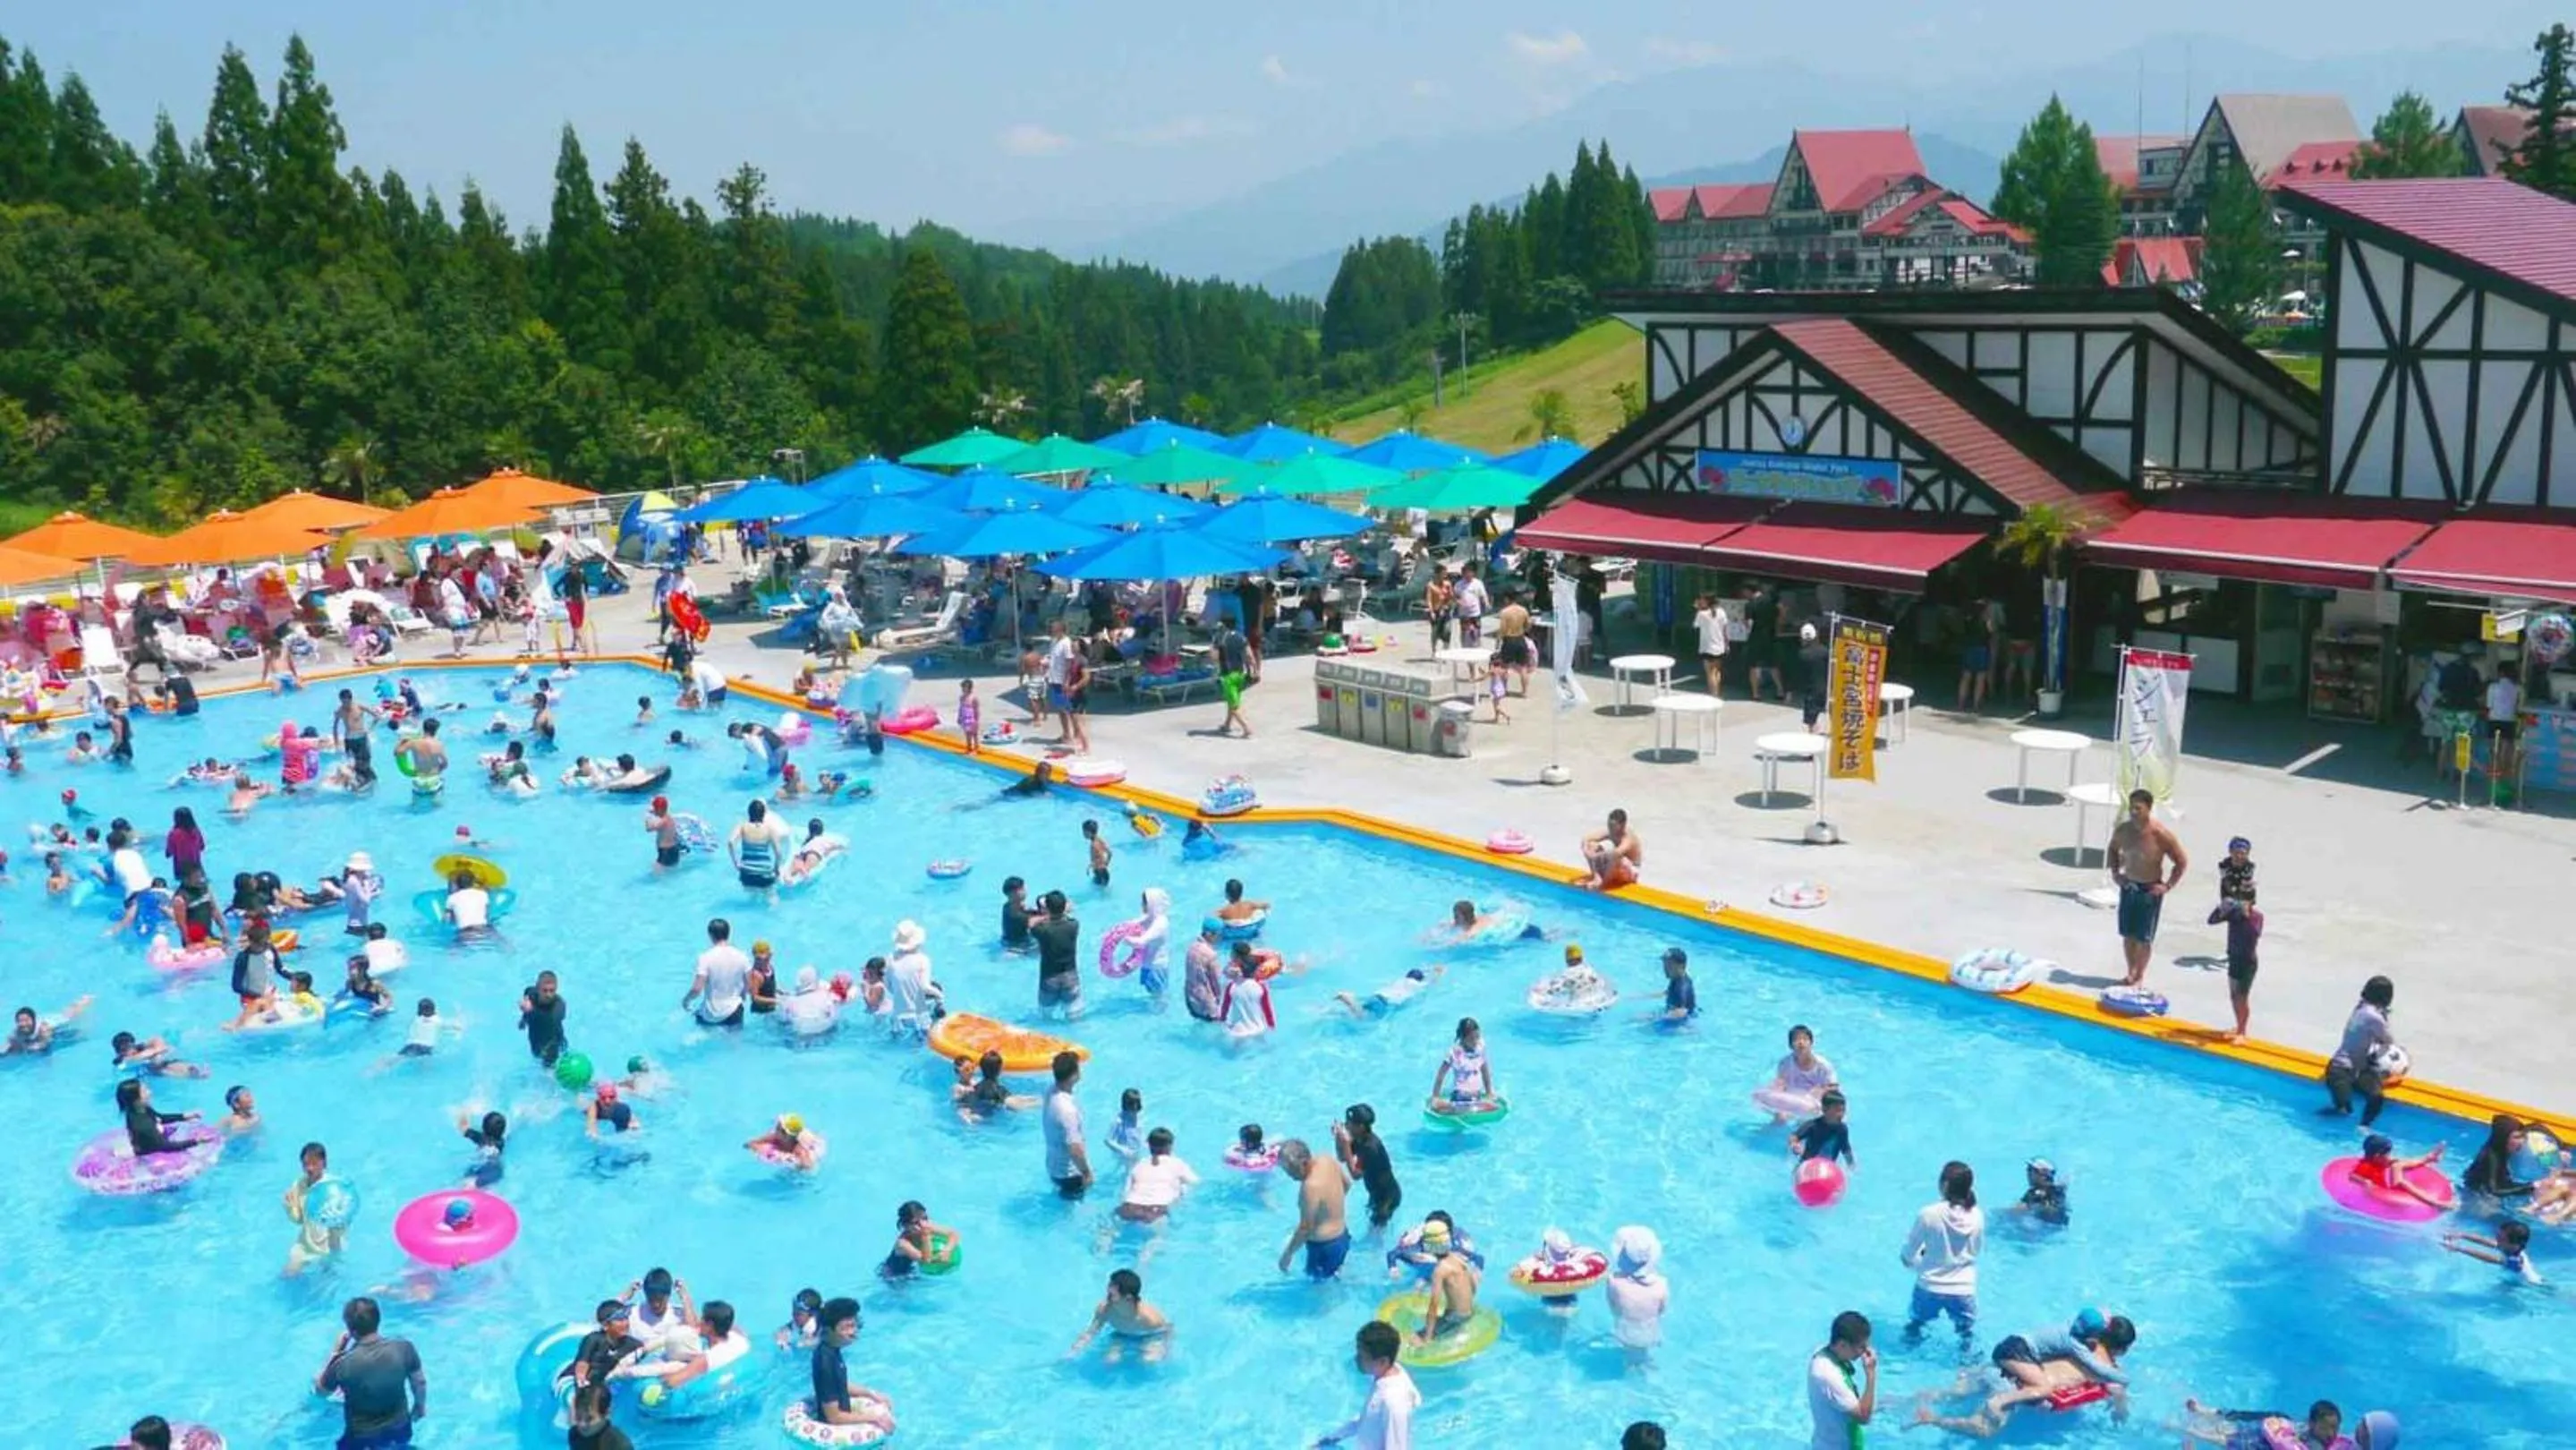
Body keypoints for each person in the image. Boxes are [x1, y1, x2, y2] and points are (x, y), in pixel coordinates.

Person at [1918, 1310, 2136, 1438]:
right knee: (1984, 1430)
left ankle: (1896, 1400)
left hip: (2005, 1367)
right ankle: (1931, 1419)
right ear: (2122, 1350)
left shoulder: (2080, 1343)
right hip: (2014, 1388)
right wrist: (2120, 1412)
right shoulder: (2111, 1373)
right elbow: (2119, 1409)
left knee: (1946, 1393)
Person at [313, 1296, 427, 1449]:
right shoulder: (403, 1347)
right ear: (378, 1320)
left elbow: (321, 1392)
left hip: (362, 1436)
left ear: (350, 1329)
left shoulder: (342, 1363)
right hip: (400, 1426)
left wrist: (336, 1351)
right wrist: (419, 1407)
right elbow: (419, 1382)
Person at [2107, 788, 2187, 988]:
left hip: (2150, 890)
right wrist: (2116, 873)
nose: (2133, 812)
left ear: (2148, 809)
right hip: (2129, 887)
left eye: (2138, 808)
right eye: (2131, 808)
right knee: (2128, 935)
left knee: (2144, 938)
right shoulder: (2123, 830)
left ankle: (2140, 974)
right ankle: (2131, 972)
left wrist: (2167, 886)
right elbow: (2112, 849)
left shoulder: (2160, 834)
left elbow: (2181, 861)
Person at [1902, 1162, 1984, 1347]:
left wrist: (1915, 1262)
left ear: (1945, 1185)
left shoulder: (1928, 1214)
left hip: (1929, 1286)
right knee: (1966, 1336)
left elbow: (1908, 1254)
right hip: (1964, 1289)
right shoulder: (1977, 1215)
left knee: (1915, 1327)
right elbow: (1976, 1250)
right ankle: (1968, 1370)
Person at [1314, 1319, 1418, 1450]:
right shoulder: (1388, 1373)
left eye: (1363, 1356)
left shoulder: (1394, 1402)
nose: (1356, 1359)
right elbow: (1369, 1417)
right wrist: (1334, 1437)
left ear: (1382, 1361)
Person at [806, 1298, 895, 1436]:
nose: (853, 1332)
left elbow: (840, 1384)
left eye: (854, 1325)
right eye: (846, 1327)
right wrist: (875, 1418)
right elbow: (834, 1417)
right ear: (829, 1330)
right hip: (835, 1437)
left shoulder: (832, 1349)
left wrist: (872, 1394)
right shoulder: (825, 1363)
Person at [2321, 975, 2397, 1127]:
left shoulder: (2360, 1007)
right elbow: (2388, 1041)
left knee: (2342, 1109)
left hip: (2339, 1069)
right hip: (2350, 1069)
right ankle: (2365, 1127)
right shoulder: (2376, 1018)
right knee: (2376, 1098)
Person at [1275, 1139, 1353, 1280]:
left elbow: (1306, 1228)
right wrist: (1331, 1210)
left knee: (1320, 1291)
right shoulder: (1327, 1160)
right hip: (1342, 1236)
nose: (1290, 1176)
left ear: (1304, 1163)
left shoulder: (1310, 1187)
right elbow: (1347, 1185)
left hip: (1323, 1249)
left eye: (1291, 1170)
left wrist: (1287, 1255)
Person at [1068, 1267, 1171, 1363]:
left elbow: (1168, 1329)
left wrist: (1166, 1348)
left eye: (1111, 1295)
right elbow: (1091, 1332)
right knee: (1110, 1361)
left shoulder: (1149, 1318)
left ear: (1128, 1298)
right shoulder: (1105, 1309)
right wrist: (1073, 1352)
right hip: (1120, 1335)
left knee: (1150, 1360)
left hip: (1148, 1336)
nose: (1107, 1298)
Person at [1807, 1310, 1878, 1450]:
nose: (1864, 1352)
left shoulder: (1823, 1353)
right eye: (1861, 1347)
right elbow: (1864, 1418)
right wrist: (1871, 1374)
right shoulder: (1829, 1376)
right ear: (1842, 1345)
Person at [1336, 1103, 1403, 1232]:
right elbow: (1342, 1157)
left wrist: (1345, 1144)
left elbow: (1355, 1174)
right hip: (1377, 1194)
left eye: (1349, 1123)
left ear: (1360, 1127)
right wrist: (1339, 1139)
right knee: (1373, 1228)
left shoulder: (1371, 1147)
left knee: (1376, 1237)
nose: (1345, 1125)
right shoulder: (1359, 1139)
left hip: (1387, 1198)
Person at [285, 1141, 347, 1275]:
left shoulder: (333, 1187)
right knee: (288, 1275)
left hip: (330, 1245)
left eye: (314, 1163)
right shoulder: (300, 1184)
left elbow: (341, 1219)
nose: (310, 1168)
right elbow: (299, 1219)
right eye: (306, 1164)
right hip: (306, 1244)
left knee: (326, 1282)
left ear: (324, 1163)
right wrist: (289, 1207)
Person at [1118, 1126, 1199, 1229]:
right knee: (1154, 1241)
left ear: (1149, 1145)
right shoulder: (1177, 1163)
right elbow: (1195, 1182)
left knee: (1108, 1233)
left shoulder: (1139, 1164)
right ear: (1170, 1146)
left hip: (1129, 1207)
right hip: (1155, 1210)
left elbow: (1126, 1191)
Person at [2209, 894, 2266, 1044]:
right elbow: (2212, 921)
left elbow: (2255, 934)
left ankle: (2242, 1031)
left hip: (2247, 962)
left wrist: (2246, 916)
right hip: (2234, 959)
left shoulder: (2257, 917)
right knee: (2234, 996)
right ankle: (2239, 1025)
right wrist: (2221, 908)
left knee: (2242, 996)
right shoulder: (2234, 915)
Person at [2347, 1132, 2448, 1210]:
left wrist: (2402, 1162)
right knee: (2400, 1180)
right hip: (2386, 1200)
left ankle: (2429, 1158)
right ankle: (2435, 1203)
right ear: (2377, 1156)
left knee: (2398, 1164)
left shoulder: (2378, 1161)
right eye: (2388, 1154)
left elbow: (2399, 1162)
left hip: (2390, 1193)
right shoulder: (2365, 1166)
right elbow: (2351, 1175)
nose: (2390, 1156)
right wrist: (2365, 1182)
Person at [1759, 1024, 1838, 1122]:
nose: (1801, 1043)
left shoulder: (1824, 1066)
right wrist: (1773, 1090)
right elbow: (1781, 1084)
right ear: (1791, 1045)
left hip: (1814, 1104)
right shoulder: (1785, 1064)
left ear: (1811, 1043)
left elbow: (1834, 1088)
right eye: (1796, 1040)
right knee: (1780, 1118)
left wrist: (1820, 1092)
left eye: (1805, 1039)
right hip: (1793, 1100)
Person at [684, 917, 752, 1028]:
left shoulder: (705, 957)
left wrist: (686, 1000)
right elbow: (749, 983)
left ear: (710, 935)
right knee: (735, 1043)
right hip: (734, 1010)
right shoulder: (742, 956)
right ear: (728, 934)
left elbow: (696, 989)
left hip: (711, 1013)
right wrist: (743, 994)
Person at [1043, 1050, 1093, 1198]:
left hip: (1053, 1167)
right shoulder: (1067, 1111)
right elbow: (1075, 1148)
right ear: (1074, 1075)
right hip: (1070, 1174)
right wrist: (1086, 1172)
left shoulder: (1050, 1091)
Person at [1426, 1018, 1499, 1117]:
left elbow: (1485, 1071)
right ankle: (1448, 1106)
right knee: (1445, 1108)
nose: (1474, 1041)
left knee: (1495, 1107)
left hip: (1476, 1096)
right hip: (1460, 1096)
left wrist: (1489, 1092)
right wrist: (1435, 1096)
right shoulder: (1455, 1052)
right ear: (1462, 1038)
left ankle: (1455, 1108)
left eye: (1477, 1037)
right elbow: (1441, 1075)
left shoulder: (1479, 1048)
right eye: (1471, 1039)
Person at [116, 1078, 201, 1156]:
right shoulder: (142, 1124)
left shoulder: (140, 1109)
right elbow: (165, 1147)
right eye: (145, 1091)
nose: (150, 1092)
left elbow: (159, 1118)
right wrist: (196, 1141)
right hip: (152, 1154)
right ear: (136, 1100)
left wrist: (184, 1116)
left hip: (152, 1141)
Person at [1033, 890, 1084, 1018]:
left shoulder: (1041, 930)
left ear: (1047, 909)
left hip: (1049, 979)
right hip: (1070, 978)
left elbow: (1031, 923)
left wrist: (1045, 915)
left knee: (1045, 1017)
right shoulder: (1074, 925)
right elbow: (1068, 915)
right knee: (1074, 1017)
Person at [2444, 1220, 2544, 1284]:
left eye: (2500, 1238)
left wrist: (2460, 1249)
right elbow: (2485, 1241)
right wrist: (2461, 1235)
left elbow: (2488, 1258)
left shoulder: (2516, 1260)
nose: (2497, 1239)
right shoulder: (2511, 1247)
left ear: (2514, 1244)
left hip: (2531, 1286)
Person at [727, 799, 790, 901]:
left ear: (749, 812)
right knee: (772, 897)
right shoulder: (770, 829)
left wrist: (736, 863)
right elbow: (779, 853)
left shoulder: (742, 826)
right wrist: (776, 868)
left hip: (747, 874)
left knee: (753, 898)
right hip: (765, 872)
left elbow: (730, 842)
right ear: (763, 814)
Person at [881, 1199, 960, 1279]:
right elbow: (927, 1261)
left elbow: (954, 1233)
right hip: (895, 1274)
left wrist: (947, 1250)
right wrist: (925, 1236)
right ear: (906, 1226)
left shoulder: (927, 1225)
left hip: (913, 1267)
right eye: (916, 1222)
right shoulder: (902, 1244)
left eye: (924, 1218)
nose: (923, 1224)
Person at [1333, 964, 1445, 1020]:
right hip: (1384, 1003)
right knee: (1365, 1019)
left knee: (1355, 1012)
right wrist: (1439, 972)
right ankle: (1348, 999)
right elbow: (1431, 984)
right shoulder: (1415, 985)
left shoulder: (1400, 981)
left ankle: (1346, 1003)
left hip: (1377, 996)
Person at [1790, 1089, 1856, 1167]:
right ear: (1824, 1109)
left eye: (1843, 1110)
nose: (1841, 1114)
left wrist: (1851, 1166)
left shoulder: (1842, 1129)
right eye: (1837, 1110)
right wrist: (1795, 1145)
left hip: (1828, 1168)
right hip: (1807, 1165)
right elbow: (1794, 1136)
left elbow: (1846, 1149)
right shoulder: (1813, 1125)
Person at [1580, 808, 1642, 891]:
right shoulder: (1612, 832)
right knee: (1591, 845)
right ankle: (1597, 877)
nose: (1610, 828)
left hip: (1631, 873)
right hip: (1616, 868)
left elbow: (1617, 853)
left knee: (1618, 858)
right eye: (1609, 825)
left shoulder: (1628, 838)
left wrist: (1597, 856)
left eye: (1613, 826)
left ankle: (1602, 882)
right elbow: (1586, 839)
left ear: (1622, 825)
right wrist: (1587, 851)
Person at [1214, 616, 1253, 738]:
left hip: (1227, 675)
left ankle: (1246, 728)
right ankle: (1227, 725)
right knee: (1233, 702)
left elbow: (1214, 657)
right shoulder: (1241, 637)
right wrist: (1254, 670)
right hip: (1240, 673)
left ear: (1224, 625)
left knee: (1233, 705)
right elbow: (1249, 655)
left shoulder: (1220, 638)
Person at [519, 971, 567, 1067]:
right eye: (545, 990)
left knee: (553, 1074)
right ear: (537, 989)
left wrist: (530, 1010)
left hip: (553, 1045)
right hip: (535, 1042)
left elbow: (549, 1020)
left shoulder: (559, 1005)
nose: (549, 995)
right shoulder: (531, 994)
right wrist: (523, 1020)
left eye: (552, 990)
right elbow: (527, 991)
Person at [1184, 917, 1226, 1021]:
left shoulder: (1191, 947)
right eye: (1218, 935)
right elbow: (1217, 981)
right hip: (1207, 1002)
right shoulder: (1210, 955)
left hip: (1191, 996)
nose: (1220, 938)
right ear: (1209, 934)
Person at [745, 1113, 820, 1171]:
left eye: (778, 1128)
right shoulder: (775, 1136)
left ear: (787, 1135)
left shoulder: (799, 1149)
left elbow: (808, 1166)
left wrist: (791, 1162)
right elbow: (750, 1143)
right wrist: (758, 1149)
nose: (775, 1130)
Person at [1691, 592, 1730, 696]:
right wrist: (1727, 643)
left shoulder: (1702, 614)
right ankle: (1717, 691)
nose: (1700, 601)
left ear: (1707, 601)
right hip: (1720, 646)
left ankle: (1713, 694)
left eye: (1702, 600)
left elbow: (1695, 625)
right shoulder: (1721, 612)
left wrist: (1697, 609)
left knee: (1710, 673)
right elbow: (1725, 629)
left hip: (1707, 647)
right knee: (1717, 671)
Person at [459, 1110, 509, 1188]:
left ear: (483, 1127)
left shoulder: (480, 1138)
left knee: (468, 1180)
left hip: (480, 1165)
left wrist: (464, 1113)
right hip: (495, 1169)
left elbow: (464, 1129)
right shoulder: (501, 1142)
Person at [2012, 1158, 2069, 1225]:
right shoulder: (2057, 1189)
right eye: (2028, 1170)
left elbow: (2017, 1211)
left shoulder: (2040, 1194)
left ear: (2042, 1175)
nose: (2028, 1174)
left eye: (2030, 1170)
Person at [1656, 947, 1699, 1027]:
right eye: (1665, 964)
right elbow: (1667, 993)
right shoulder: (1676, 979)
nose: (1665, 968)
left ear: (1681, 966)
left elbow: (1682, 1011)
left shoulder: (1683, 986)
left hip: (1680, 1025)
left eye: (1669, 965)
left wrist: (1656, 1018)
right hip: (1672, 1017)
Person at [1084, 818, 1111, 889]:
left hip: (1100, 874)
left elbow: (1099, 857)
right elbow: (1110, 853)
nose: (1083, 834)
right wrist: (1106, 863)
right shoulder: (1099, 840)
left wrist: (1092, 866)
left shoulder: (1094, 845)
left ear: (1089, 833)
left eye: (1084, 832)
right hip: (1104, 872)